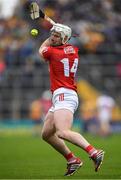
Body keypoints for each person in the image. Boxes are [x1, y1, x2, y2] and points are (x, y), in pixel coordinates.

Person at [39, 23, 105, 176]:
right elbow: (62, 44)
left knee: (62, 132)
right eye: (52, 34)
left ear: (64, 39)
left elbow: (41, 50)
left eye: (56, 36)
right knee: (47, 134)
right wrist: (61, 32)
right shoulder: (73, 50)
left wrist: (50, 39)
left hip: (64, 94)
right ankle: (72, 159)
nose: (52, 38)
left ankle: (94, 152)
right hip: (63, 94)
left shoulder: (53, 53)